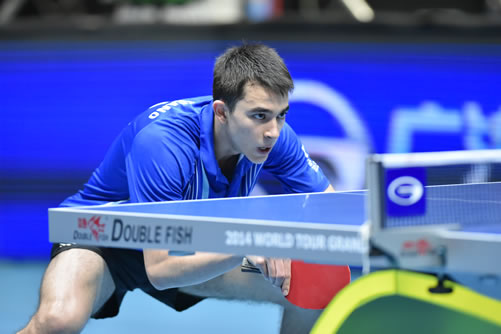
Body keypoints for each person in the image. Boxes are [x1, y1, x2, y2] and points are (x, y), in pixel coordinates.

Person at [19, 43, 334, 334]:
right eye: (260, 116)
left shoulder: (275, 135)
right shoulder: (163, 144)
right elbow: (160, 268)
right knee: (58, 320)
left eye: (281, 115)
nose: (273, 131)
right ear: (222, 112)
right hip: (102, 238)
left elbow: (330, 205)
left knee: (312, 286)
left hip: (188, 243)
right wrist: (248, 241)